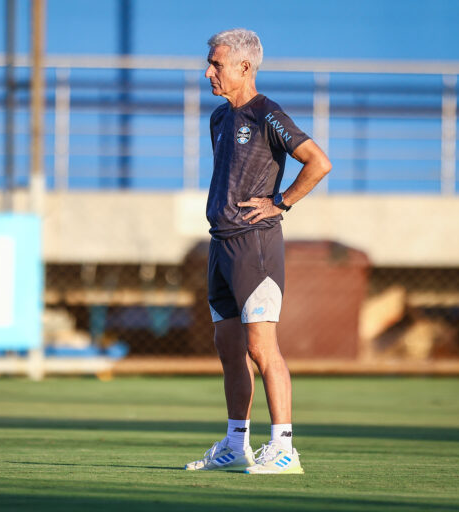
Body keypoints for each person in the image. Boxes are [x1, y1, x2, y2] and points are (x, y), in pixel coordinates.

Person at [184, 28, 331, 475]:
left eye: (216, 63)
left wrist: (281, 201)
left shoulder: (268, 113)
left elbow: (318, 162)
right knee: (228, 347)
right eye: (210, 63)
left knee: (261, 346)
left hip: (255, 244)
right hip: (220, 243)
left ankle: (285, 448)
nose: (208, 71)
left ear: (244, 67)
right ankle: (235, 445)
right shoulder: (218, 119)